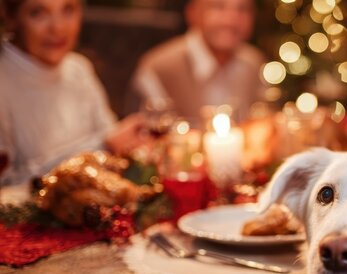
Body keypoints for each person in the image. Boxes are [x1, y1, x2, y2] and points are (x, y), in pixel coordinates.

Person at [0, 0, 147, 186]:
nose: (58, 28)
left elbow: (110, 137)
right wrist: (102, 146)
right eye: (38, 13)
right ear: (12, 18)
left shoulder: (79, 69)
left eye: (68, 10)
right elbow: (7, 186)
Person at [131, 0, 265, 125]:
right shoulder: (158, 68)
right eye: (218, 7)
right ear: (193, 13)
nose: (231, 20)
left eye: (243, 9)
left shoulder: (254, 63)